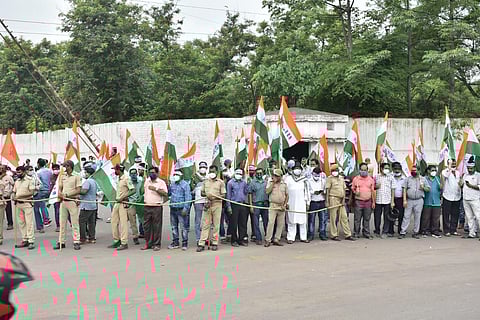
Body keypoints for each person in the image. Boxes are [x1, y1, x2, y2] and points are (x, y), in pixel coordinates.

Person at [197, 165, 226, 252]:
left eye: (213, 171)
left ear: (216, 172)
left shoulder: (221, 182)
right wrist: (207, 195)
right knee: (205, 225)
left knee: (216, 225)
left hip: (217, 205)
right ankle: (201, 244)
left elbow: (224, 195)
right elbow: (202, 193)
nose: (212, 173)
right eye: (210, 171)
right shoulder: (205, 181)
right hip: (207, 204)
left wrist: (215, 197)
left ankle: (214, 243)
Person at [55, 160, 82, 250]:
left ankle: (76, 241)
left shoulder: (76, 176)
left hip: (72, 201)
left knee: (74, 223)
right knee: (62, 223)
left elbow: (78, 190)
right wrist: (59, 193)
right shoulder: (62, 176)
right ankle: (61, 242)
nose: (64, 168)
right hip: (63, 201)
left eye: (66, 166)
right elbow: (60, 187)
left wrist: (68, 195)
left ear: (70, 166)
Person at [108, 164, 135, 251]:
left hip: (123, 202)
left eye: (115, 170)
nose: (114, 171)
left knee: (123, 224)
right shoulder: (119, 178)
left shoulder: (126, 178)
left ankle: (124, 242)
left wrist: (123, 197)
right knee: (113, 221)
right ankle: (117, 240)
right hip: (117, 202)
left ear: (119, 170)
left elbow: (133, 190)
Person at [326, 164, 355, 241]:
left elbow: (344, 190)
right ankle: (334, 235)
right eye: (333, 170)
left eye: (336, 170)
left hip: (341, 200)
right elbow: (327, 190)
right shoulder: (329, 178)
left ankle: (348, 234)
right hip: (333, 198)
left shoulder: (341, 179)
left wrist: (343, 200)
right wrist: (327, 201)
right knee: (333, 217)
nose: (334, 172)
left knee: (344, 217)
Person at [142, 166, 168, 251]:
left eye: (153, 172)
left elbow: (165, 194)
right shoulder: (147, 181)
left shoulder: (161, 182)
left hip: (157, 206)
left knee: (156, 226)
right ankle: (148, 243)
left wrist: (156, 189)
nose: (151, 174)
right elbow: (143, 192)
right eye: (150, 172)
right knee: (146, 226)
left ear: (157, 173)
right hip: (147, 206)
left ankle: (156, 244)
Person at [284, 162, 310, 244]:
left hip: (302, 202)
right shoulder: (288, 178)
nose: (297, 170)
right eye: (296, 168)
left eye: (299, 169)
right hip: (290, 202)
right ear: (292, 170)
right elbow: (285, 191)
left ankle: (303, 237)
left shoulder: (304, 179)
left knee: (302, 221)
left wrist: (307, 202)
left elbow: (307, 191)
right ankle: (291, 237)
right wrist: (286, 202)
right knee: (291, 220)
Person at [399, 165, 427, 239]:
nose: (413, 172)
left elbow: (428, 189)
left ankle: (415, 232)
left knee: (417, 217)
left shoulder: (423, 179)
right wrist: (404, 200)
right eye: (412, 170)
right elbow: (404, 189)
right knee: (406, 216)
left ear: (418, 171)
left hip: (419, 200)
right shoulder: (408, 179)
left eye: (415, 170)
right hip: (409, 200)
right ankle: (403, 232)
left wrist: (423, 187)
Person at [12, 166, 36, 250]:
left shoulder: (30, 180)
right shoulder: (17, 181)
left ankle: (31, 241)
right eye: (17, 172)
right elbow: (14, 192)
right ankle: (25, 239)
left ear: (24, 172)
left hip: (27, 203)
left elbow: (31, 192)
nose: (18, 174)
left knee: (29, 223)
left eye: (20, 172)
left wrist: (19, 196)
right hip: (18, 204)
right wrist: (14, 196)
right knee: (21, 223)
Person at [168, 170, 192, 250]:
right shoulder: (172, 184)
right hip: (173, 208)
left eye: (177, 174)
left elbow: (188, 197)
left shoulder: (185, 185)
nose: (175, 176)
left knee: (183, 227)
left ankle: (184, 243)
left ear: (181, 176)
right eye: (174, 174)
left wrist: (186, 208)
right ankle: (175, 242)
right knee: (174, 226)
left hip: (181, 209)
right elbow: (169, 194)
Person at [351, 162, 375, 239]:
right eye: (362, 170)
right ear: (359, 170)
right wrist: (355, 192)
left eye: (365, 170)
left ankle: (366, 233)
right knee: (357, 219)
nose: (363, 171)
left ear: (367, 170)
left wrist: (373, 202)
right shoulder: (356, 179)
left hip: (368, 201)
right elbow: (353, 188)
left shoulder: (371, 179)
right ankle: (356, 233)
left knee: (367, 218)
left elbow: (373, 191)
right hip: (359, 201)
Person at [264, 169, 288, 247]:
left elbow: (287, 195)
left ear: (281, 176)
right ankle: (268, 240)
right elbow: (267, 191)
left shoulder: (284, 184)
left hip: (281, 206)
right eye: (274, 175)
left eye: (277, 176)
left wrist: (284, 205)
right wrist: (273, 183)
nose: (275, 177)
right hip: (273, 205)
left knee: (280, 224)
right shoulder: (270, 182)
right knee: (271, 222)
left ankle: (277, 239)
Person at [226, 169, 249, 247]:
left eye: (240, 174)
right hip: (234, 204)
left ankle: (241, 239)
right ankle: (234, 240)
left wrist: (247, 183)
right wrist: (228, 206)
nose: (238, 175)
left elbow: (246, 192)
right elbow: (228, 196)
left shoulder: (244, 182)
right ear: (234, 173)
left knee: (242, 223)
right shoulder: (230, 183)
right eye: (237, 173)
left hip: (242, 204)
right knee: (234, 223)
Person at [460, 157, 480, 239]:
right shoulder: (465, 175)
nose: (470, 170)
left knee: (478, 216)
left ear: (474, 167)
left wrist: (471, 186)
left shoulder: (478, 175)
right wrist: (460, 182)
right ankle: (472, 233)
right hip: (465, 198)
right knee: (469, 217)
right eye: (468, 168)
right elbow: (461, 186)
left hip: (475, 199)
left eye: (471, 168)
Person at [441, 159, 462, 236]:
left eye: (454, 163)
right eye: (451, 164)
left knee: (455, 214)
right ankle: (446, 230)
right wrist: (449, 167)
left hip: (457, 196)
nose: (453, 165)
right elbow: (445, 176)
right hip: (447, 196)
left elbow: (459, 182)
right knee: (446, 214)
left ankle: (453, 229)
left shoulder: (458, 172)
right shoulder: (445, 171)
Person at [374, 163, 395, 238]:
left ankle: (385, 232)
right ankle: (377, 230)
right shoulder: (376, 177)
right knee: (377, 217)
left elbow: (393, 189)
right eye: (385, 168)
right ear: (381, 169)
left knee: (387, 217)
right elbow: (373, 187)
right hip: (378, 200)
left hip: (387, 200)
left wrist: (392, 201)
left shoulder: (391, 177)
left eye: (388, 168)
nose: (387, 170)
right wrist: (376, 186)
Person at [248, 167, 269, 245]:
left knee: (266, 222)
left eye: (260, 173)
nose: (259, 174)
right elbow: (249, 194)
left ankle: (268, 237)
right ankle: (258, 238)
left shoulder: (266, 182)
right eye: (258, 173)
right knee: (256, 223)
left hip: (265, 204)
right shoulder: (252, 183)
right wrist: (251, 206)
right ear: (255, 174)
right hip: (256, 204)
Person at [421, 165, 442, 238]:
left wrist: (441, 187)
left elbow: (441, 188)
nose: (434, 172)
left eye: (435, 170)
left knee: (435, 218)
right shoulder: (424, 179)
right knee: (426, 217)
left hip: (436, 201)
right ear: (428, 171)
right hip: (427, 201)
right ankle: (424, 231)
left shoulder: (437, 179)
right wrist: (424, 188)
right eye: (432, 170)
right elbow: (422, 187)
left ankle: (435, 231)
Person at [79, 162, 97, 244]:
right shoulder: (94, 181)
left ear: (88, 173)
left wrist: (77, 190)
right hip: (93, 204)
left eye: (85, 172)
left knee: (82, 221)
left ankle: (83, 238)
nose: (84, 174)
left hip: (86, 205)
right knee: (91, 223)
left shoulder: (87, 181)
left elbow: (84, 191)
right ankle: (92, 238)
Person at [308, 167, 327, 240]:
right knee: (311, 219)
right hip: (313, 202)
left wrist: (323, 192)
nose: (316, 176)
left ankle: (322, 234)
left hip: (321, 201)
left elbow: (325, 190)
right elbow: (307, 191)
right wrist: (313, 192)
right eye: (315, 174)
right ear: (312, 173)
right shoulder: (309, 181)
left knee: (322, 219)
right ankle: (310, 234)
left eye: (318, 174)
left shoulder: (323, 181)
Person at [192, 161, 208, 244]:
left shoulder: (209, 177)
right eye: (201, 167)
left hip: (206, 201)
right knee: (198, 221)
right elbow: (192, 189)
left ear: (206, 168)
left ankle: (205, 238)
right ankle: (198, 239)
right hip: (198, 201)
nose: (203, 169)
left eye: (204, 167)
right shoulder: (194, 177)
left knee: (207, 221)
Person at [127, 168, 142, 245]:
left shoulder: (141, 181)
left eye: (134, 173)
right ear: (129, 175)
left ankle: (144, 233)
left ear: (137, 174)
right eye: (132, 174)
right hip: (131, 203)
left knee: (142, 220)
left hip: (140, 203)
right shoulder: (128, 182)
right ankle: (135, 236)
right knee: (133, 221)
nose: (133, 175)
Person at [392, 162, 406, 235]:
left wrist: (405, 200)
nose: (397, 170)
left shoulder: (404, 178)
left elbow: (405, 189)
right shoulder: (390, 177)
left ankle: (400, 230)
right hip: (392, 199)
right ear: (393, 169)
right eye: (395, 169)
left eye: (398, 169)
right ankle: (390, 231)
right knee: (391, 215)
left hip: (401, 199)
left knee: (401, 215)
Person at [0, 165, 14, 230]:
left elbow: (13, 185)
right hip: (0, 197)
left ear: (5, 169)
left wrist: (10, 192)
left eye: (2, 168)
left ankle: (10, 224)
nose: (1, 170)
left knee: (8, 211)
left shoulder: (8, 177)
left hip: (6, 196)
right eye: (0, 168)